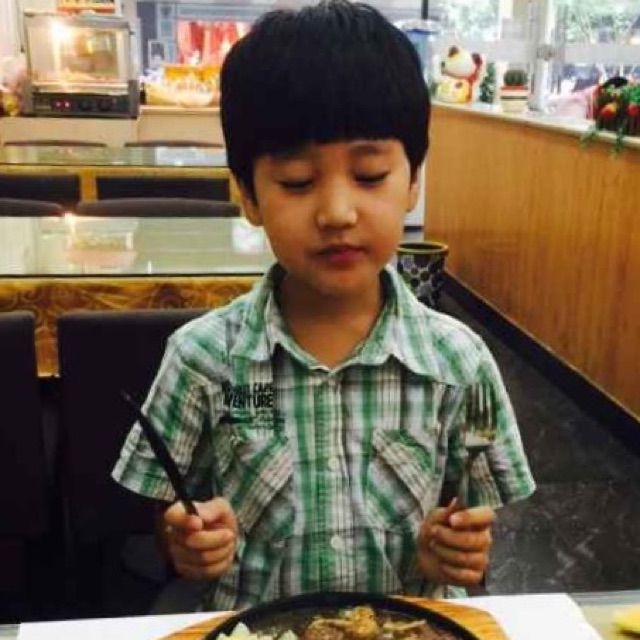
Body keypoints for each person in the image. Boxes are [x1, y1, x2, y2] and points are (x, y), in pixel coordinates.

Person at [112, 0, 535, 611]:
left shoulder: (458, 363)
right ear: (248, 195)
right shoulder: (204, 359)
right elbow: (168, 514)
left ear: (413, 180)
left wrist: (457, 551)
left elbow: (473, 521)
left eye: (370, 175)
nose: (337, 212)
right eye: (296, 182)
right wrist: (184, 542)